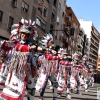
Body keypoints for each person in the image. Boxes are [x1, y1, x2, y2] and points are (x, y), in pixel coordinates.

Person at [0, 18, 38, 100]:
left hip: (27, 69)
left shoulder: (30, 44)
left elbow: (32, 57)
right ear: (20, 34)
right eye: (22, 33)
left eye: (25, 34)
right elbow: (11, 47)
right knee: (13, 89)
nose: (23, 35)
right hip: (16, 69)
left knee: (31, 90)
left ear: (28, 36)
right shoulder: (16, 43)